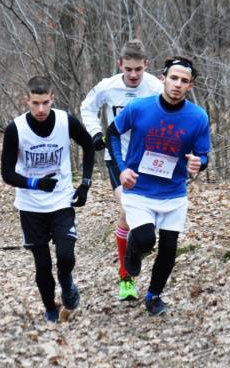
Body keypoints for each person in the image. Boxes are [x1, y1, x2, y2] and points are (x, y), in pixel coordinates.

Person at [107, 56, 211, 316]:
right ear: (163, 79)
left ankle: (153, 296)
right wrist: (122, 169)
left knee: (168, 247)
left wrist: (199, 163)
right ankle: (133, 254)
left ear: (190, 86)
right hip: (139, 188)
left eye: (184, 81)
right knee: (144, 239)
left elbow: (203, 155)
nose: (177, 84)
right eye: (173, 78)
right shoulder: (139, 107)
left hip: (174, 192)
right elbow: (112, 133)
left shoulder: (198, 117)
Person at [1, 76, 94, 322]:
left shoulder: (65, 121)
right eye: (35, 103)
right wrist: (35, 183)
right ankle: (51, 310)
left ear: (53, 99)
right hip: (30, 206)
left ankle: (66, 280)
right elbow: (6, 173)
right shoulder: (15, 129)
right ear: (27, 101)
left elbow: (88, 146)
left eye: (45, 103)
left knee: (66, 256)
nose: (41, 109)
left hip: (61, 200)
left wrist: (85, 184)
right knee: (42, 265)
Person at [80, 39, 163, 301]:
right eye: (128, 69)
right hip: (117, 156)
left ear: (146, 65)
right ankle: (126, 277)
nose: (134, 74)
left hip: (148, 159)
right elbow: (86, 107)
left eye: (138, 69)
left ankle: (134, 254)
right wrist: (95, 133)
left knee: (143, 219)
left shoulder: (155, 87)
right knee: (128, 209)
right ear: (120, 65)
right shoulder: (108, 86)